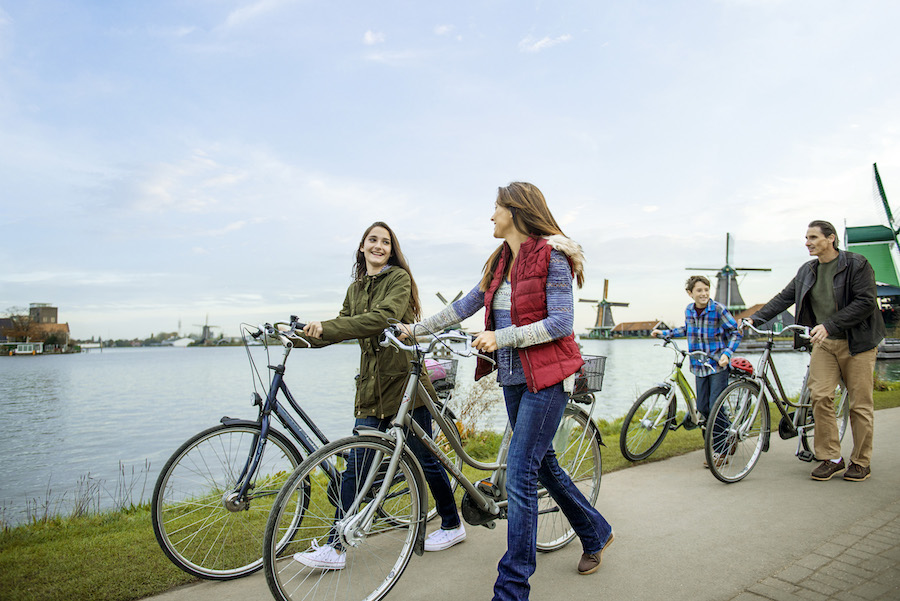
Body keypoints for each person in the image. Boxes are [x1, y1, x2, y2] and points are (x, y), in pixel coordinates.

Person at [404, 182, 613, 601]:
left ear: (515, 211)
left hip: (549, 379)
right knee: (545, 465)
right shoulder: (500, 262)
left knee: (519, 474)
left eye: (496, 207)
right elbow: (464, 306)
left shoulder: (552, 256)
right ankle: (596, 530)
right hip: (515, 380)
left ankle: (512, 588)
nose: (491, 215)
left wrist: (503, 339)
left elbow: (560, 324)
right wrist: (414, 329)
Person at [291, 221, 465, 570]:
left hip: (405, 386)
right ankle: (336, 547)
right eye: (373, 240)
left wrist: (328, 326)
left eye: (385, 242)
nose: (379, 246)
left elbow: (379, 319)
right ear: (362, 247)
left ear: (391, 249)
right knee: (355, 464)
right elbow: (343, 325)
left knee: (425, 459)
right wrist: (300, 336)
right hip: (371, 389)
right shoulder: (355, 288)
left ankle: (452, 523)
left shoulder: (398, 279)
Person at [747, 220, 885, 482]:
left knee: (859, 404)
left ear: (830, 239)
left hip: (858, 343)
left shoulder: (857, 264)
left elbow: (866, 302)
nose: (807, 242)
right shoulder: (807, 270)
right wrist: (755, 318)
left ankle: (860, 461)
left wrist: (830, 325)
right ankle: (831, 457)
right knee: (820, 397)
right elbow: (784, 297)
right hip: (824, 343)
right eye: (806, 237)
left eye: (812, 237)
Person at [651, 275, 742, 465]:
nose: (704, 294)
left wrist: (727, 353)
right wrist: (665, 333)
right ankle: (729, 436)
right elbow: (687, 329)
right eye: (699, 290)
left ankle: (720, 451)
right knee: (703, 408)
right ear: (690, 293)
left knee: (715, 406)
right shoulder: (689, 310)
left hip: (717, 364)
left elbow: (735, 332)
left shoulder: (718, 309)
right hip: (698, 365)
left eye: (706, 289)